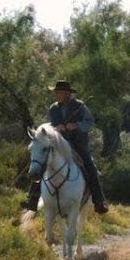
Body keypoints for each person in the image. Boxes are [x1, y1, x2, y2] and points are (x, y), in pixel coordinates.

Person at [21, 80, 108, 214]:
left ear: (67, 93)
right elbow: (51, 126)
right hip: (58, 143)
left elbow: (90, 123)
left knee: (90, 166)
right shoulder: (53, 108)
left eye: (59, 92)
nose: (56, 94)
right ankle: (32, 198)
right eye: (56, 92)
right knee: (43, 162)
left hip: (77, 143)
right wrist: (57, 128)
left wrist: (76, 126)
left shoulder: (79, 106)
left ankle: (99, 201)